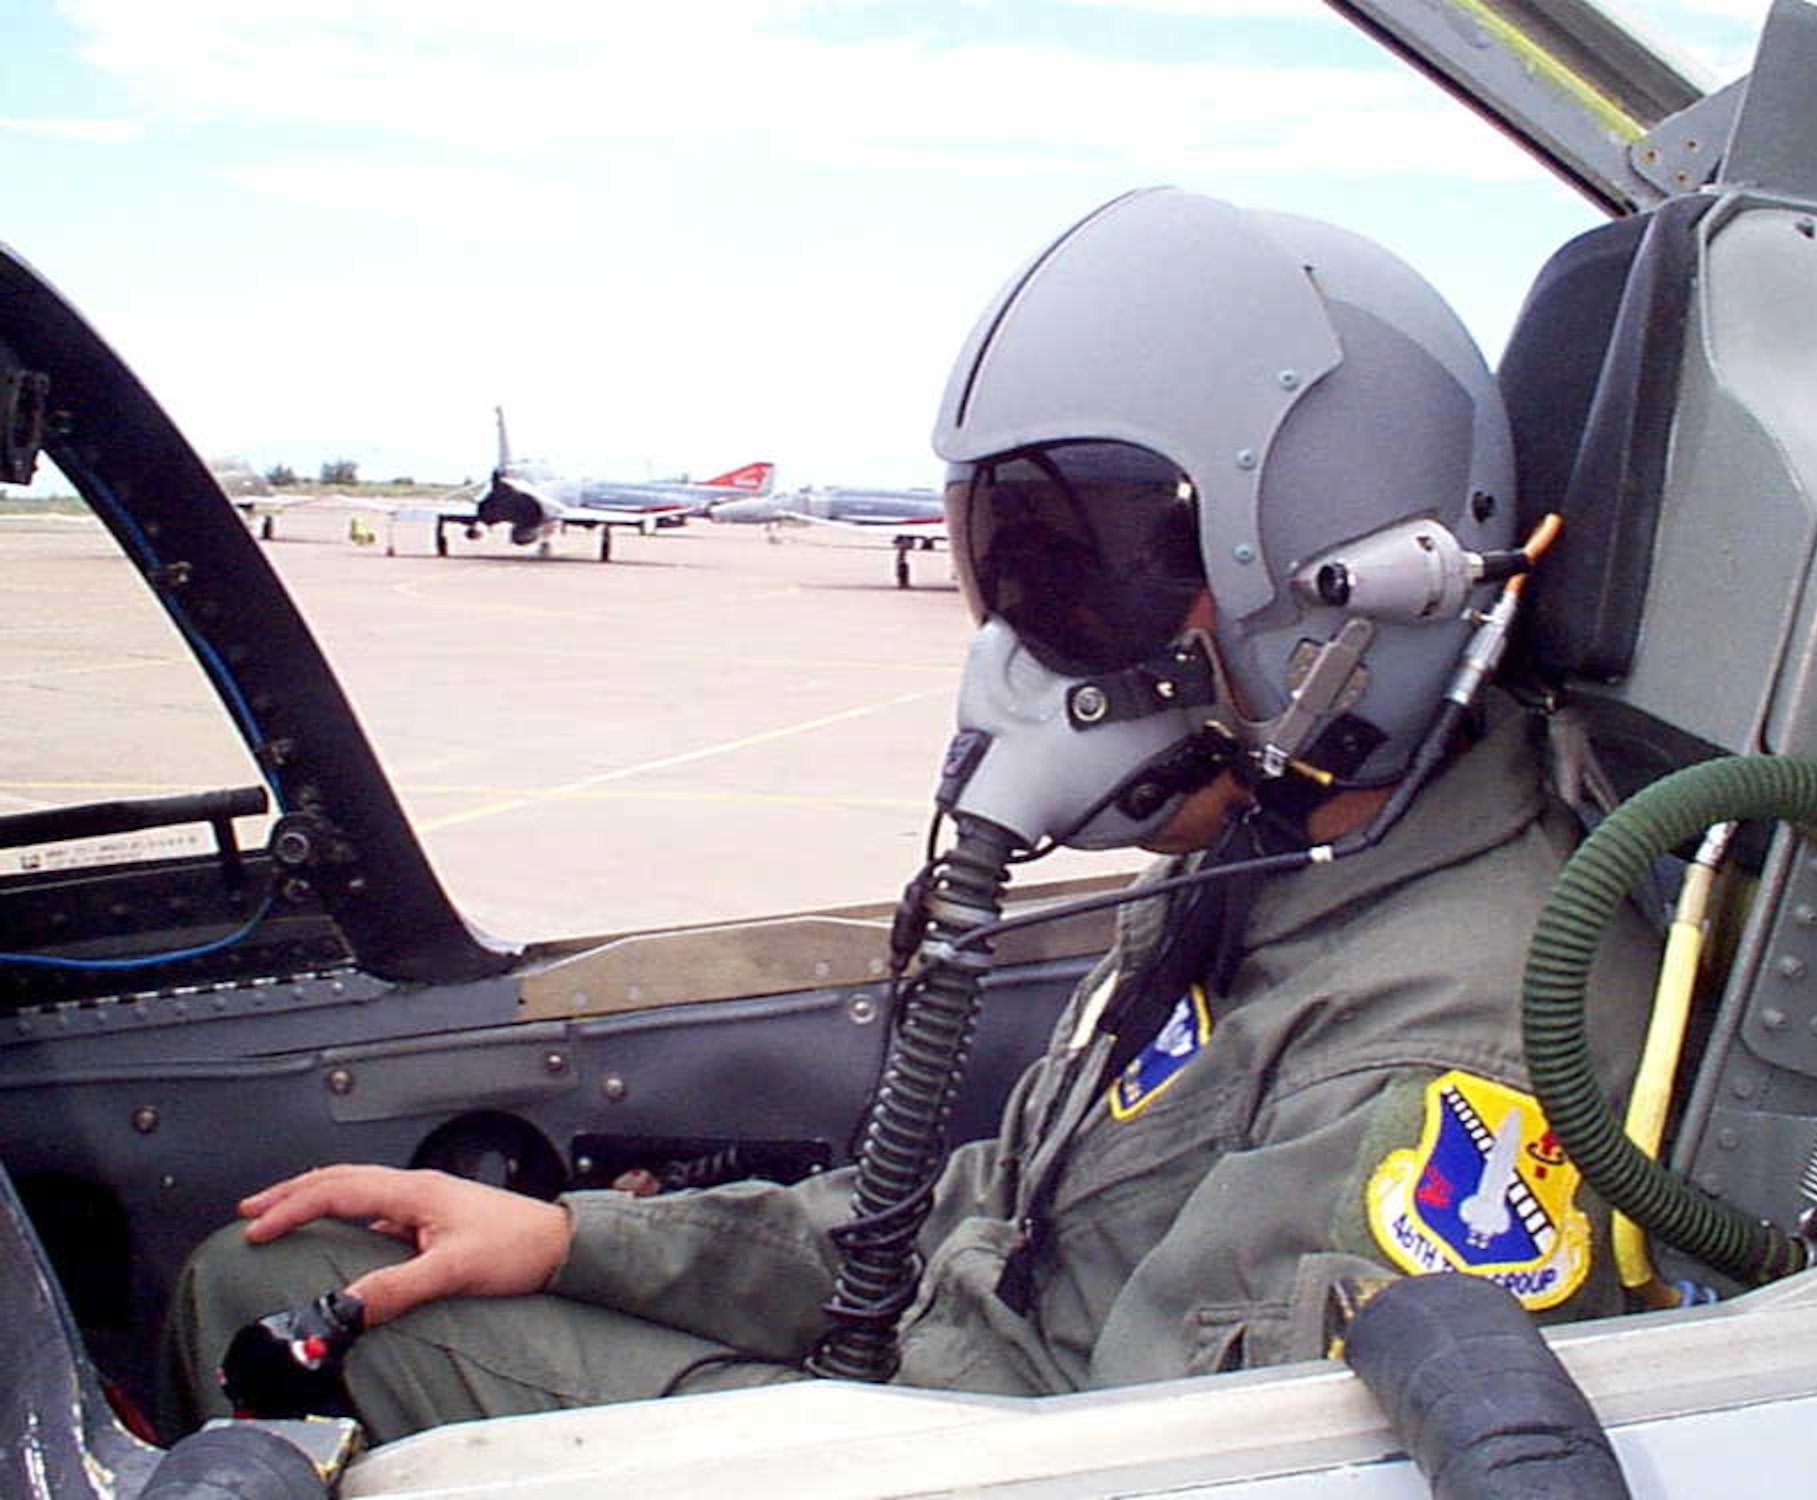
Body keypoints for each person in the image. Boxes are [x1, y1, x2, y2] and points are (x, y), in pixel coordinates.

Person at [168, 187, 1657, 1442]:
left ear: (1346, 595)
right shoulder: (1281, 861)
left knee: (256, 1295)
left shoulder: (1439, 1067)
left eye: (1086, 579)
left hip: (956, 1454)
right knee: (333, 1257)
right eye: (1011, 564)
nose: (1024, 650)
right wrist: (577, 1241)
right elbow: (966, 1229)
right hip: (916, 1395)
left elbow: (1155, 1469)